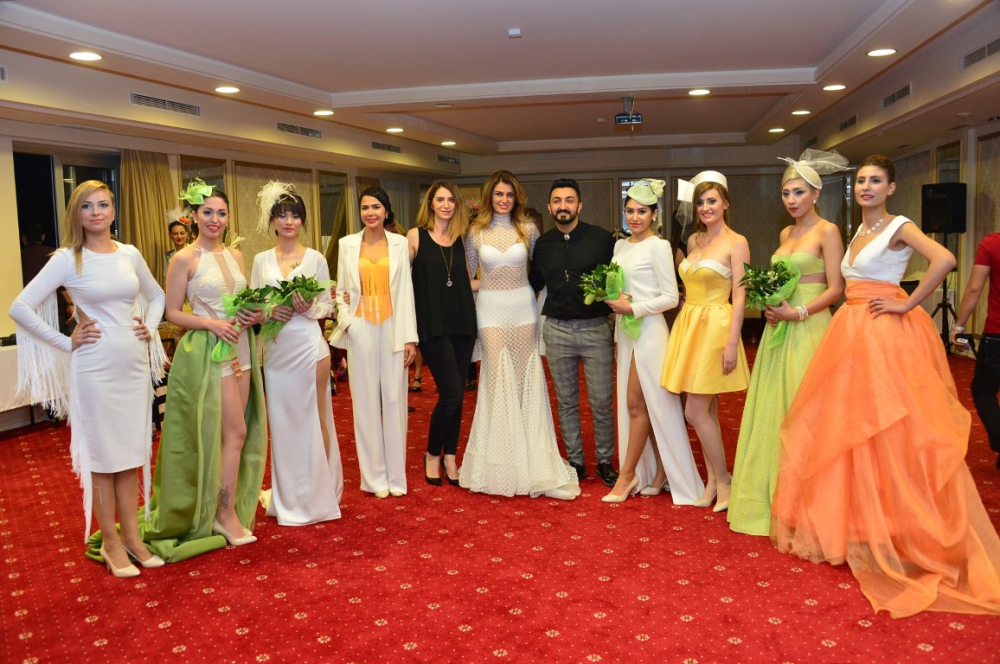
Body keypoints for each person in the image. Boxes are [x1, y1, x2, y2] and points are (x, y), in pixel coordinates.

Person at [772, 154, 1000, 617]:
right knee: (853, 429)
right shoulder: (859, 229)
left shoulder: (899, 225)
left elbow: (945, 259)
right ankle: (864, 525)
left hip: (884, 336)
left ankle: (903, 528)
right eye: (861, 181)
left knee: (892, 430)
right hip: (851, 333)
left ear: (891, 188)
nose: (866, 187)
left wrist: (906, 303)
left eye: (875, 181)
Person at [10, 180, 167, 577]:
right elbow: (21, 306)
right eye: (87, 206)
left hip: (133, 366)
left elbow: (157, 296)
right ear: (76, 215)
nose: (96, 212)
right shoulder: (68, 259)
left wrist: (149, 327)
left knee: (130, 455)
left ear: (113, 211)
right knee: (102, 457)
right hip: (95, 369)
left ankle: (132, 537)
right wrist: (66, 342)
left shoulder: (129, 253)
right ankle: (111, 542)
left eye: (103, 204)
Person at [143, 179, 268, 560]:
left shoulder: (236, 256)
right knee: (235, 431)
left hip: (242, 347)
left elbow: (242, 303)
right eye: (207, 212)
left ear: (228, 218)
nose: (215, 219)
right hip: (210, 352)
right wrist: (210, 323)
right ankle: (223, 515)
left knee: (233, 435)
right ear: (194, 216)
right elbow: (172, 312)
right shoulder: (185, 258)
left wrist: (254, 315)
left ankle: (222, 506)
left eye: (221, 213)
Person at [727, 151, 848, 536]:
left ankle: (810, 505)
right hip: (779, 330)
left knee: (806, 411)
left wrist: (799, 312)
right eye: (786, 193)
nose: (792, 200)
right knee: (774, 411)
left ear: (816, 194)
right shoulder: (785, 234)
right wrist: (771, 306)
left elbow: (837, 288)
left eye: (799, 192)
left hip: (810, 327)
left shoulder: (827, 231)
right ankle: (773, 498)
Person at [460, 170, 580, 500]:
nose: (504, 200)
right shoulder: (475, 232)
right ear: (489, 197)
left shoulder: (528, 229)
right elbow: (467, 277)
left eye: (509, 195)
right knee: (497, 380)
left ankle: (533, 462)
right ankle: (500, 463)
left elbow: (541, 271)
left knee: (526, 380)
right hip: (489, 310)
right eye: (498, 194)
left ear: (516, 198)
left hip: (523, 309)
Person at [601, 179, 704, 504]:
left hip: (650, 333)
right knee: (643, 406)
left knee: (641, 405)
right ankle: (659, 474)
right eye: (630, 211)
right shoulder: (620, 247)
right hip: (626, 332)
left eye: (642, 211)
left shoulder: (659, 247)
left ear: (654, 214)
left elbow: (671, 297)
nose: (635, 217)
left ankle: (627, 476)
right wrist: (613, 298)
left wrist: (633, 307)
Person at [251, 182, 343, 524]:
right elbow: (254, 308)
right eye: (282, 215)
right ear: (273, 220)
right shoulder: (261, 260)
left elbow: (327, 305)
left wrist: (309, 309)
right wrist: (269, 311)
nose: (289, 222)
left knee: (315, 418)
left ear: (303, 221)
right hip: (277, 350)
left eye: (295, 216)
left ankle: (319, 492)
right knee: (283, 422)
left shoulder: (315, 258)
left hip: (308, 345)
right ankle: (289, 494)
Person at [661, 172, 750, 512]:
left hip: (716, 327)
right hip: (689, 324)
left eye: (712, 200)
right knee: (706, 408)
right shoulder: (695, 241)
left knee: (694, 410)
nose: (705, 207)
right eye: (700, 202)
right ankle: (713, 481)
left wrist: (732, 343)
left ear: (726, 204)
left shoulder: (736, 242)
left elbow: (740, 297)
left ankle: (725, 479)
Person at [528, 178, 618, 486]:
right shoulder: (543, 244)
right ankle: (576, 461)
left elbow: (618, 280)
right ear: (550, 206)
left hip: (595, 328)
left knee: (601, 401)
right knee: (566, 402)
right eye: (557, 201)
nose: (563, 206)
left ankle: (605, 460)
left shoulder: (602, 240)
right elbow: (533, 283)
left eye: (569, 200)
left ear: (579, 206)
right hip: (556, 330)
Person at [330, 186, 417, 498]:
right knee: (365, 402)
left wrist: (410, 338)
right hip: (361, 326)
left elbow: (406, 292)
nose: (370, 213)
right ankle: (374, 478)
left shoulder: (400, 243)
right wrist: (347, 323)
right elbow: (341, 290)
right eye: (365, 207)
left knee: (394, 400)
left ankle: (396, 477)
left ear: (386, 211)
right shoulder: (347, 244)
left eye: (376, 207)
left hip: (393, 326)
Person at [406, 181, 478, 486]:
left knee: (457, 394)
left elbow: (468, 281)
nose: (446, 205)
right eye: (440, 199)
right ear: (431, 204)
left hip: (463, 323)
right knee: (451, 393)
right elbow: (400, 283)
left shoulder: (463, 238)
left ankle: (450, 455)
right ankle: (432, 453)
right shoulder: (415, 236)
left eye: (451, 200)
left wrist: (506, 282)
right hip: (432, 326)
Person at [951, 233, 1000, 470]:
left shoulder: (992, 243)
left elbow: (974, 289)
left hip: (997, 334)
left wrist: (959, 326)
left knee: (983, 391)